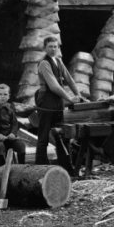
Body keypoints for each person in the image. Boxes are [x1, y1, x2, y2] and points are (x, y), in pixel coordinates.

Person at [36, 37, 81, 171]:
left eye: (55, 46)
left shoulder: (59, 61)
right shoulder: (44, 63)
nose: (53, 49)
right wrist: (70, 98)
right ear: (45, 48)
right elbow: (54, 86)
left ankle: (65, 166)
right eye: (50, 46)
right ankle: (40, 168)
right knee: (43, 137)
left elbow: (69, 80)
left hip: (57, 103)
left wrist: (79, 95)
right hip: (46, 103)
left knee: (62, 135)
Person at [0, 84, 26, 166]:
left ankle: (22, 167)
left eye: (5, 94)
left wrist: (13, 133)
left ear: (9, 96)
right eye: (0, 94)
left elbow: (15, 123)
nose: (2, 97)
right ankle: (1, 167)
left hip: (8, 137)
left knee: (21, 145)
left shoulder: (10, 109)